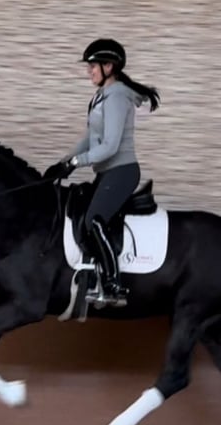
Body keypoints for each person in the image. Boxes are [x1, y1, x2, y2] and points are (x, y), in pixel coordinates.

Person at [45, 38, 161, 306]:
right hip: (108, 172)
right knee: (82, 214)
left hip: (122, 171)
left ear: (109, 66)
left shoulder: (118, 96)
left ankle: (113, 283)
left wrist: (76, 163)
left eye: (92, 66)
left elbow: (109, 147)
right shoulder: (102, 96)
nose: (89, 71)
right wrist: (63, 162)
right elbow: (90, 137)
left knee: (93, 220)